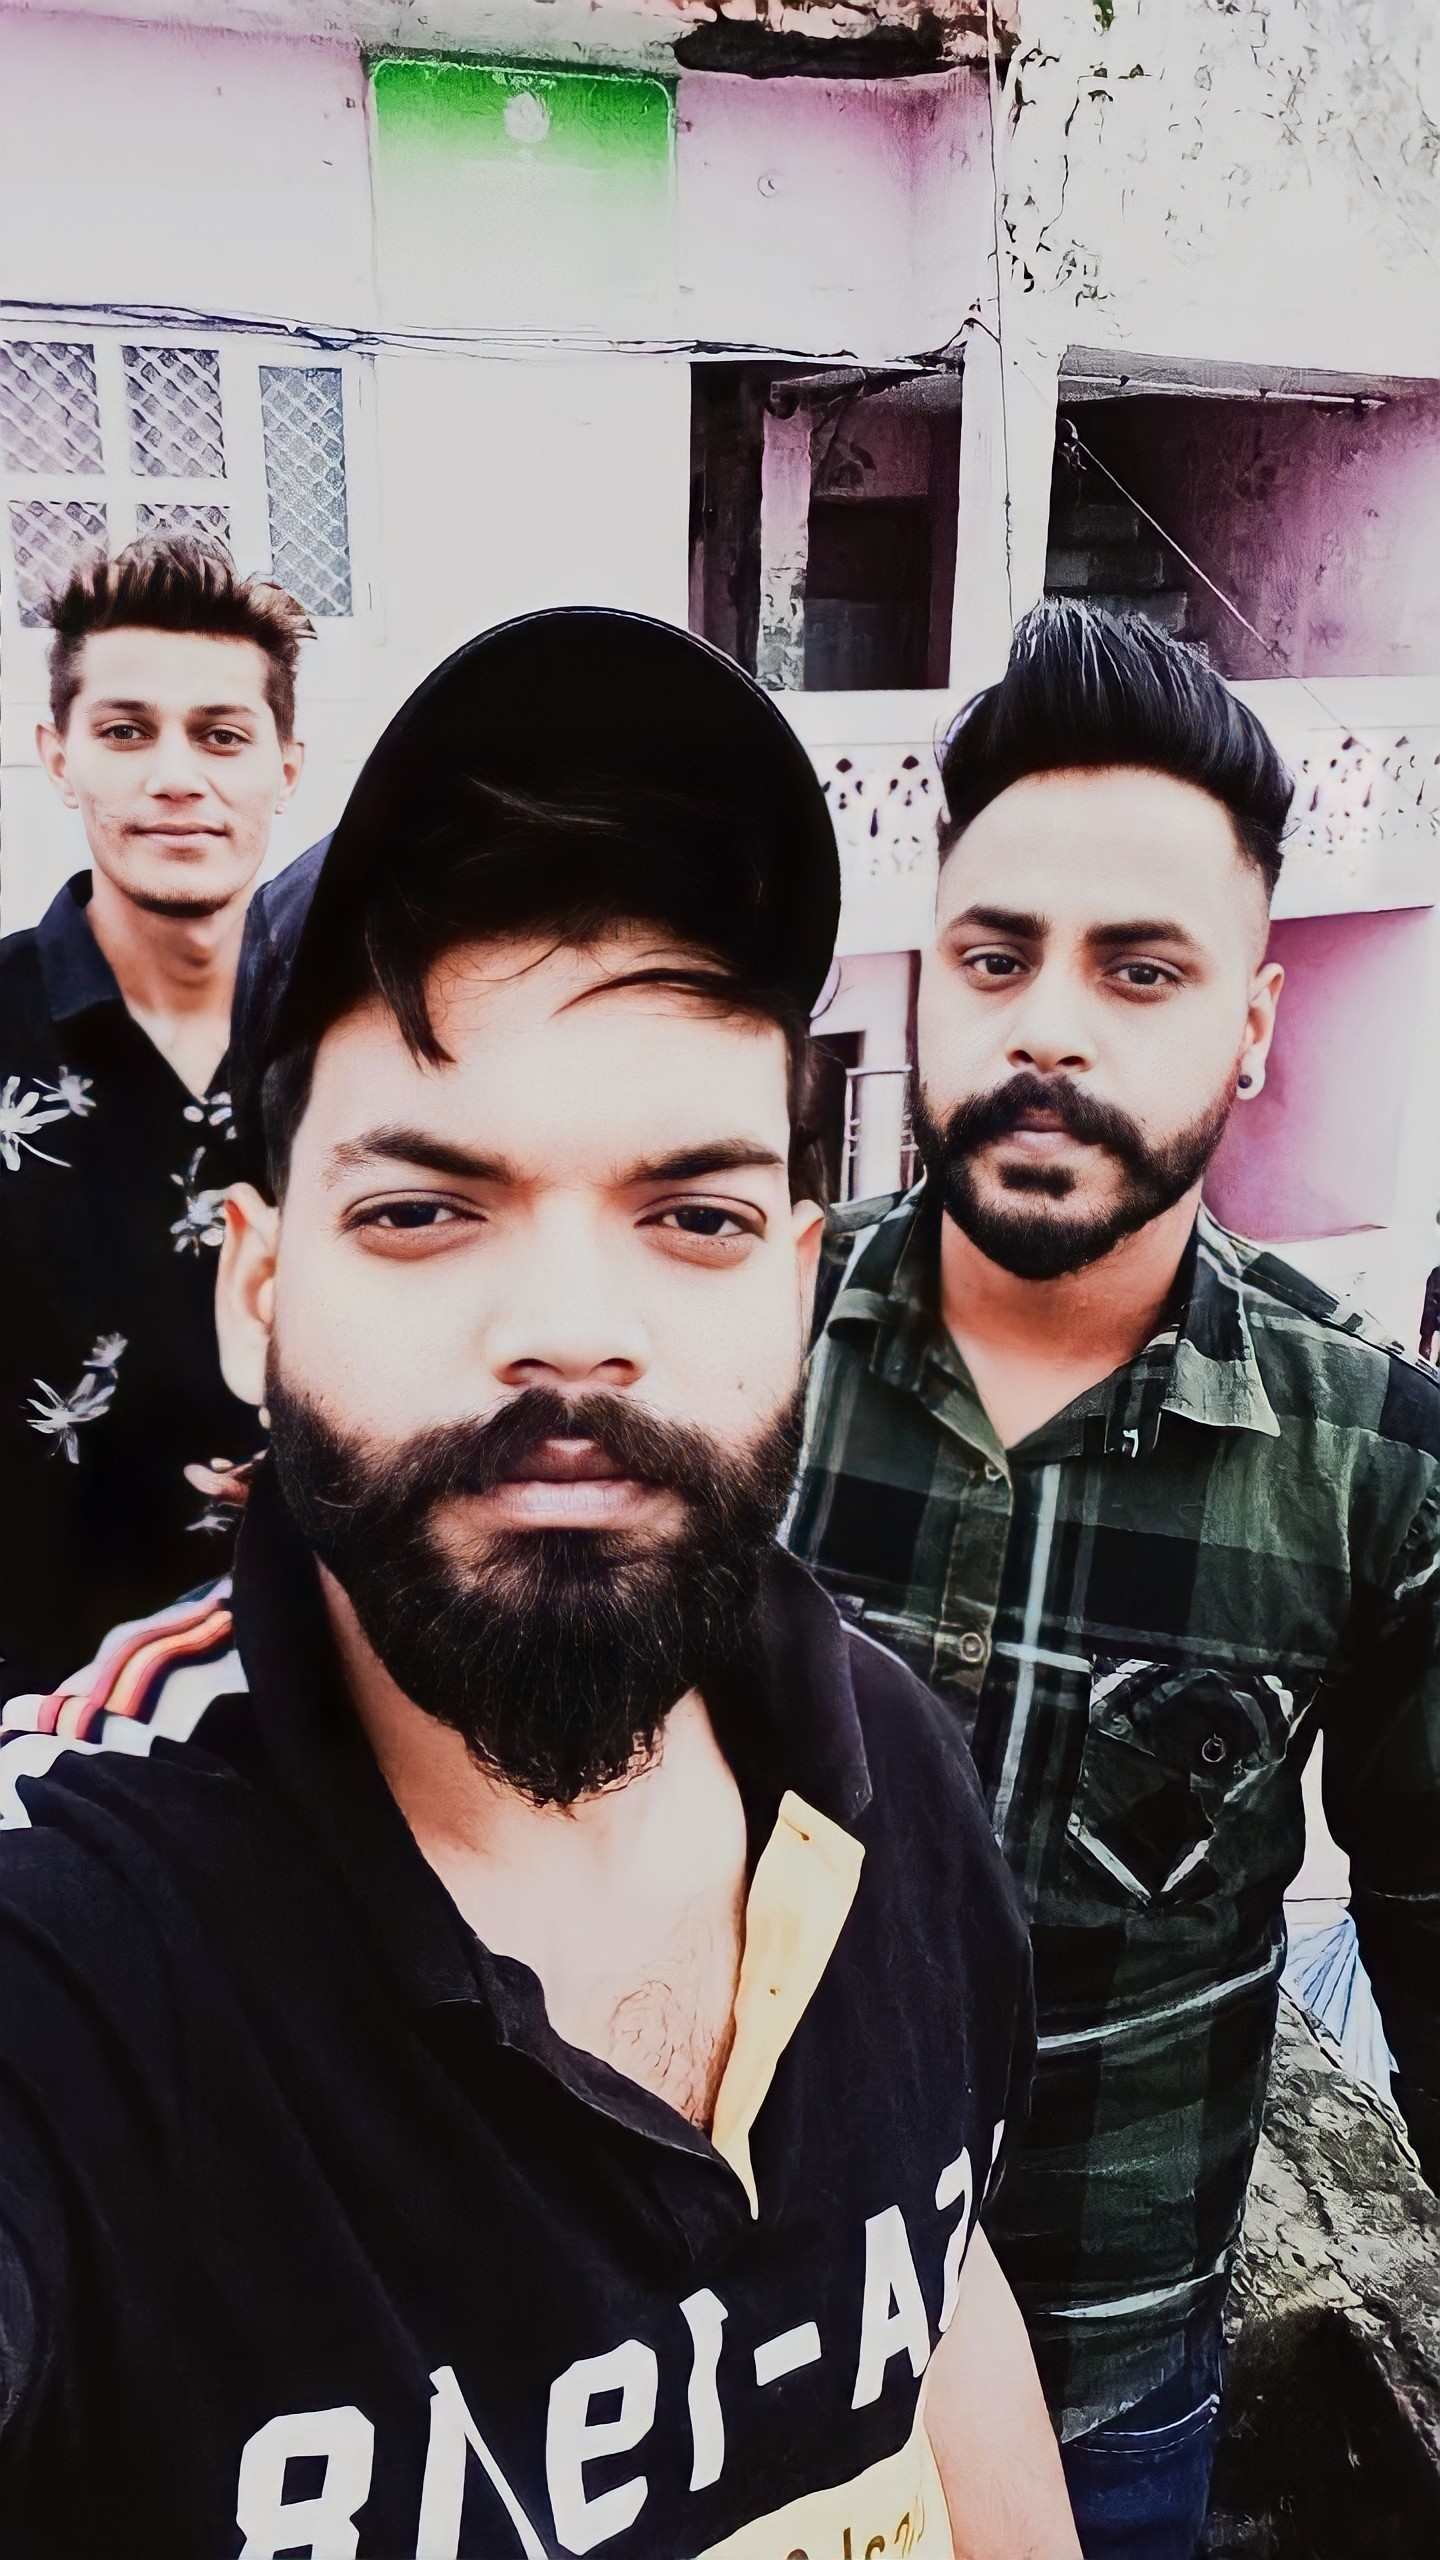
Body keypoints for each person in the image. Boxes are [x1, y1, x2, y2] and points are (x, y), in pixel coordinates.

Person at [0, 609, 1080, 2560]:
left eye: (694, 1213)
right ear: (258, 1287)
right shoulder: (81, 1946)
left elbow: (939, 2287)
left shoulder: (898, 1785)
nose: (573, 1331)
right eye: (425, 1208)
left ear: (798, 1279)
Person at [788, 602, 1440, 2560]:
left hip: (1103, 2405)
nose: (1050, 1026)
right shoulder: (741, 1352)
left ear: (1253, 1024)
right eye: (996, 957)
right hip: (717, 2364)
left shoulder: (1372, 1463)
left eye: (1142, 969)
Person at [0, 534, 309, 1699]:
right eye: (127, 731)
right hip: (33, 1726)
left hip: (312, 1700)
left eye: (221, 735)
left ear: (286, 766)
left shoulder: (360, 1048)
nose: (177, 776)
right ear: (58, 755)